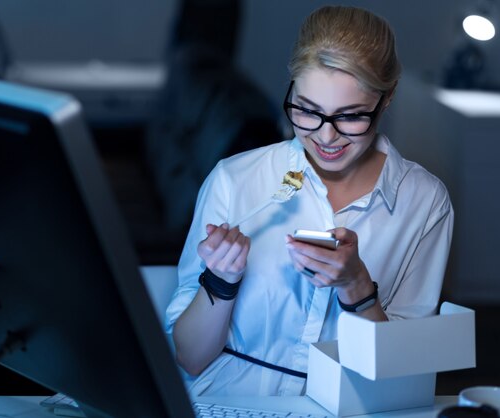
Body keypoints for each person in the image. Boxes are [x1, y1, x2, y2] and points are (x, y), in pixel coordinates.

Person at [165, 5, 454, 397]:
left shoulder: (425, 203)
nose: (326, 137)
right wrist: (220, 282)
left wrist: (356, 287)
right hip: (228, 399)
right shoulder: (235, 180)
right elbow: (189, 358)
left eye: (350, 116)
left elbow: (401, 376)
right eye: (308, 110)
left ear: (387, 99)